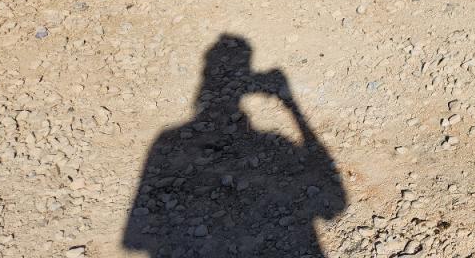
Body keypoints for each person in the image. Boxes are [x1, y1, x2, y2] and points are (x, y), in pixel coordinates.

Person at [123, 34, 345, 257]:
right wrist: (292, 106)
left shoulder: (168, 140)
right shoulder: (278, 144)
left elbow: (134, 237)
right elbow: (335, 203)